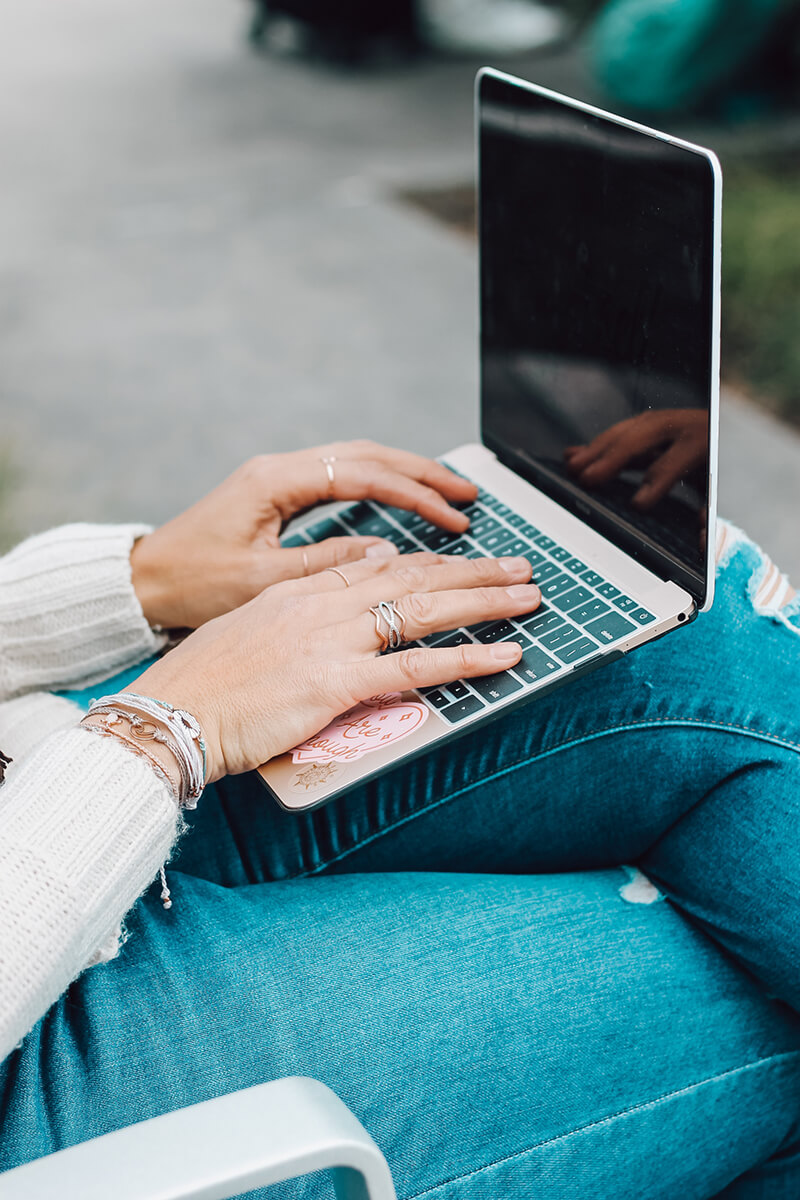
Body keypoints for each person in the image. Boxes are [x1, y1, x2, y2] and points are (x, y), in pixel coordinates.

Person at [0, 439, 798, 1198]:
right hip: (37, 1071)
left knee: (700, 627)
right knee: (757, 1005)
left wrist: (142, 582)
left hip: (41, 772)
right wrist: (162, 731)